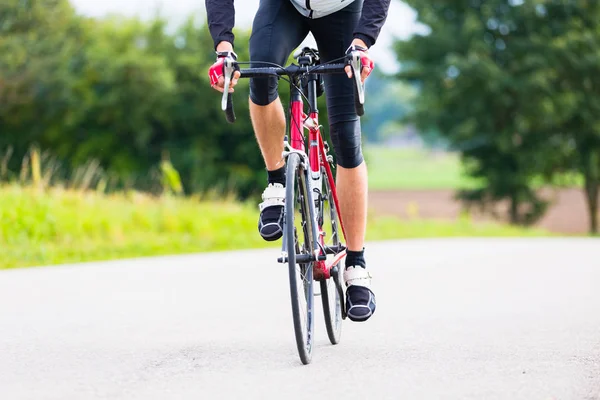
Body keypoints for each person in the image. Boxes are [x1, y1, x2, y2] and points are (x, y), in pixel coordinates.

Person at [205, 0, 390, 322]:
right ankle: (277, 182)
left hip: (343, 12)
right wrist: (223, 49)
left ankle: (356, 265)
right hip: (284, 7)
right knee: (261, 77)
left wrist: (362, 42)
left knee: (345, 135)